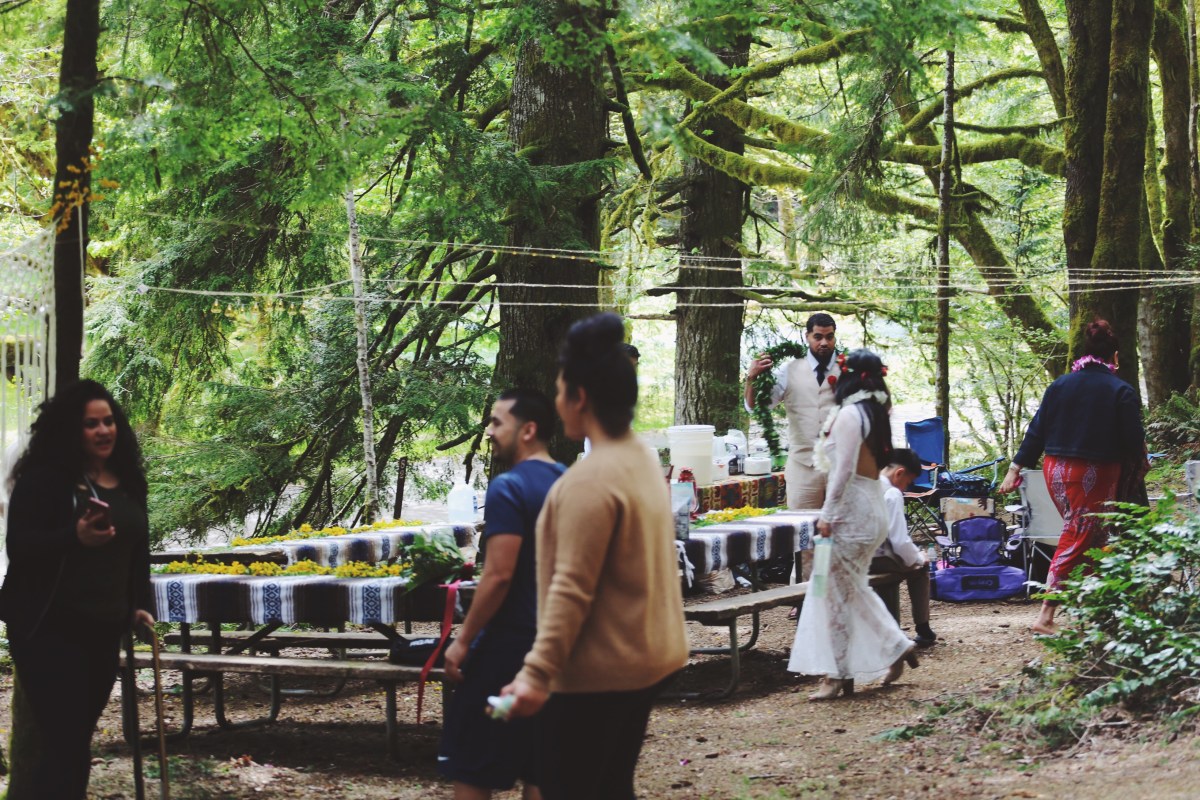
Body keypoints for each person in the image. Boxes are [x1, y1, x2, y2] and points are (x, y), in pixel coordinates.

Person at [501, 313, 688, 800]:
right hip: (647, 659)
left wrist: (536, 673)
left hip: (597, 673)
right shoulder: (644, 459)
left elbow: (570, 587)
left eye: (561, 390)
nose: (557, 401)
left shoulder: (589, 481)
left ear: (580, 398)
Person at [0, 380, 155, 798]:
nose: (103, 431)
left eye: (108, 422)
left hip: (103, 630)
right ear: (72, 430)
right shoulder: (44, 480)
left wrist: (139, 604)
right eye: (91, 424)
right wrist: (75, 537)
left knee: (74, 744)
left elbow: (138, 547)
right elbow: (21, 548)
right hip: (48, 630)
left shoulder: (127, 480)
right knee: (66, 746)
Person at [439, 388, 565, 800]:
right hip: (559, 647)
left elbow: (498, 575)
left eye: (497, 422)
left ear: (528, 430)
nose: (490, 432)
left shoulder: (508, 487)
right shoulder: (569, 482)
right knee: (542, 764)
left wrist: (462, 641)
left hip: (507, 648)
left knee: (472, 762)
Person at [997, 319, 1146, 636]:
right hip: (1094, 473)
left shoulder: (1060, 385)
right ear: (1115, 357)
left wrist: (1015, 468)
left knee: (1094, 535)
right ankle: (1046, 615)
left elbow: (1037, 430)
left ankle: (1094, 610)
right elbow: (1134, 442)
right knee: (1080, 532)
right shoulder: (1121, 390)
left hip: (1056, 471)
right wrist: (1140, 465)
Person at [787, 350, 916, 700]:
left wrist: (826, 515)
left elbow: (842, 470)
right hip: (871, 507)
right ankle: (895, 644)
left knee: (831, 594)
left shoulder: (848, 416)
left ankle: (836, 673)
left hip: (851, 512)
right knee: (851, 589)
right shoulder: (879, 414)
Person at [744, 312, 841, 510]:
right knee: (801, 531)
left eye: (829, 337)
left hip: (841, 466)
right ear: (807, 337)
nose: (824, 342)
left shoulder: (850, 369)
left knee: (844, 530)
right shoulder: (788, 370)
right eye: (818, 337)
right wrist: (751, 378)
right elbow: (755, 408)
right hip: (803, 468)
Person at [871, 448, 937, 648]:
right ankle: (923, 628)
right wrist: (919, 558)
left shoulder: (865, 484)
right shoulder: (891, 493)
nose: (905, 487)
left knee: (914, 558)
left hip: (855, 556)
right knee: (921, 566)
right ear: (899, 473)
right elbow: (899, 541)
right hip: (877, 559)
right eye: (908, 482)